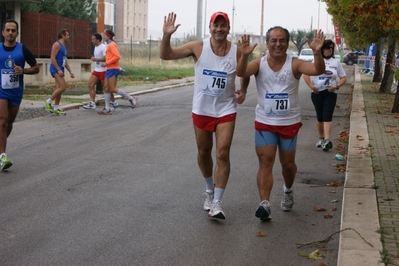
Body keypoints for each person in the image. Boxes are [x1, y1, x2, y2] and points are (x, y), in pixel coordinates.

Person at [160, 12, 249, 220]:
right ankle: (209, 191)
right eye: (215, 25)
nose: (219, 29)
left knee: (222, 153)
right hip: (202, 109)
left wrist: (243, 89)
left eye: (223, 25)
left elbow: (245, 72)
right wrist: (166, 36)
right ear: (210, 27)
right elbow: (166, 55)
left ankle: (218, 201)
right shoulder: (198, 47)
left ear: (228, 28)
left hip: (226, 109)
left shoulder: (236, 51)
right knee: (203, 152)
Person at [236, 27, 326, 221]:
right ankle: (264, 204)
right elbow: (241, 72)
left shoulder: (295, 64)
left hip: (289, 122)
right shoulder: (259, 64)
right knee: (265, 160)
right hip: (265, 121)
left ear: (287, 43)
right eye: (274, 40)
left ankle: (288, 190)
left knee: (287, 165)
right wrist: (243, 56)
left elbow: (318, 70)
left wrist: (317, 52)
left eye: (282, 40)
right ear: (267, 43)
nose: (278, 44)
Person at [0, 19, 40, 170]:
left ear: (17, 33)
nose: (10, 33)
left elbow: (36, 68)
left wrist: (23, 71)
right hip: (1, 90)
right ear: (3, 32)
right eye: (7, 30)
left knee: (9, 123)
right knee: (2, 121)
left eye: (13, 30)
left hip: (16, 91)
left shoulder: (23, 50)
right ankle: (2, 156)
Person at [303, 40, 347, 151]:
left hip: (330, 92)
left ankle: (327, 140)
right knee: (320, 116)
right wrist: (312, 86)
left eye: (331, 48)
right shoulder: (316, 60)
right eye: (327, 48)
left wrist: (336, 87)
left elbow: (343, 78)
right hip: (317, 92)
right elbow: (306, 75)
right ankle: (321, 138)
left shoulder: (336, 62)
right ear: (322, 49)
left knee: (327, 115)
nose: (329, 50)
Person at [97, 29, 137, 115]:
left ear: (108, 36)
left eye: (104, 35)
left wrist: (106, 63)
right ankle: (107, 108)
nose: (103, 36)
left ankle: (131, 98)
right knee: (106, 88)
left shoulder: (112, 45)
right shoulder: (108, 45)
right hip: (109, 69)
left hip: (113, 69)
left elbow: (117, 56)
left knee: (112, 88)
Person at [43, 29, 75, 116]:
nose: (69, 37)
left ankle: (56, 108)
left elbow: (65, 61)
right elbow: (52, 58)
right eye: (67, 35)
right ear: (62, 36)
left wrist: (70, 71)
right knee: (63, 86)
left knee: (59, 89)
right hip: (55, 68)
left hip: (61, 69)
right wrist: (58, 69)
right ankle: (48, 101)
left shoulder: (63, 47)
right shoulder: (57, 45)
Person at [83, 33, 118, 110]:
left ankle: (113, 102)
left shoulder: (103, 47)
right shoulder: (96, 47)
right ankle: (92, 103)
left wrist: (96, 59)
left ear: (98, 40)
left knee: (106, 88)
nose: (92, 41)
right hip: (97, 70)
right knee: (90, 84)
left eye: (93, 39)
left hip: (104, 70)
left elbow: (106, 58)